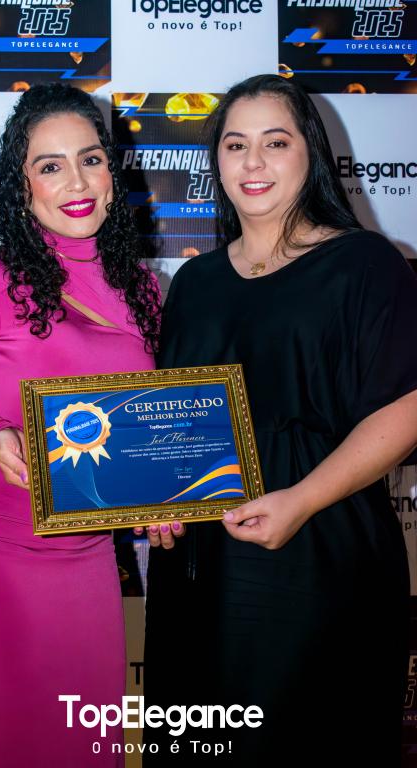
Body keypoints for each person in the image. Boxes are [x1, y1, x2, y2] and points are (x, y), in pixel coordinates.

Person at [142, 74, 417, 767]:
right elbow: (170, 424)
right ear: (217, 161)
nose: (253, 162)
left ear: (310, 152)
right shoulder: (195, 283)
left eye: (275, 142)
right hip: (198, 573)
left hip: (321, 554)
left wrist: (300, 500)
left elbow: (406, 407)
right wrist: (157, 502)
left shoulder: (365, 263)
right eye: (235, 145)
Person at [0, 83, 160, 768]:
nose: (76, 183)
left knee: (85, 746)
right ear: (22, 188)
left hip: (88, 556)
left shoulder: (143, 288)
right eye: (51, 166)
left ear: (111, 171)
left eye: (90, 159)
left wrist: (164, 497)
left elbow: (139, 428)